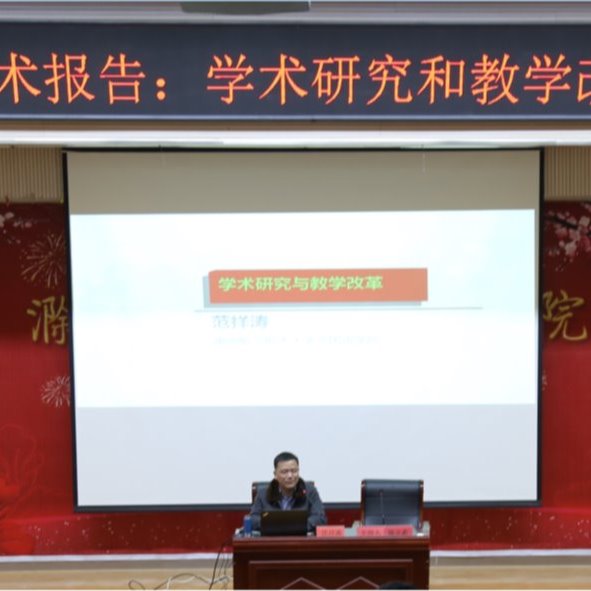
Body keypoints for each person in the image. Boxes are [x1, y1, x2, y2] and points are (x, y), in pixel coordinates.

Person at [249, 451, 326, 533]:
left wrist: (293, 526)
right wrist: (281, 525)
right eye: (284, 472)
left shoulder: (309, 491)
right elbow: (253, 519)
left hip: (300, 539)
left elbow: (320, 518)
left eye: (294, 471)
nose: (290, 476)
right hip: (272, 539)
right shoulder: (263, 493)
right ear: (275, 474)